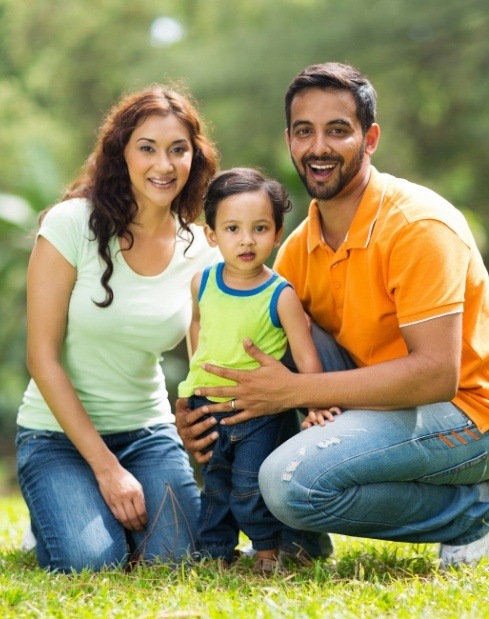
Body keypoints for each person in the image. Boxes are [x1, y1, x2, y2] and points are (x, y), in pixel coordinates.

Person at [175, 62, 489, 569]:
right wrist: (206, 413)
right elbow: (263, 364)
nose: (318, 147)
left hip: (468, 417)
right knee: (281, 332)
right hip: (378, 403)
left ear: (370, 140)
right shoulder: (298, 249)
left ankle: (473, 513)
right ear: (290, 141)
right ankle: (299, 541)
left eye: (338, 130)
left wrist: (298, 392)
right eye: (305, 132)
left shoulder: (418, 227)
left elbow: (437, 375)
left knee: (288, 483)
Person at [16, 83, 220, 573]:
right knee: (93, 563)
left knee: (175, 562)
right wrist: (107, 470)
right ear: (121, 154)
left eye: (178, 150)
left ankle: (89, 513)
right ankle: (65, 508)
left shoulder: (202, 250)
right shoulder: (71, 225)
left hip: (147, 433)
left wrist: (202, 427)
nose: (163, 165)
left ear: (195, 157)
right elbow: (40, 357)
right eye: (146, 148)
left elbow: (206, 362)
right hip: (55, 437)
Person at [178, 167, 339, 574]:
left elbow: (305, 356)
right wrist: (197, 375)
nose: (246, 240)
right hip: (210, 406)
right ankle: (213, 554)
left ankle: (267, 554)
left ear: (277, 232)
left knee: (249, 486)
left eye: (259, 228)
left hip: (260, 412)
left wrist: (315, 403)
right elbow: (198, 324)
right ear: (211, 235)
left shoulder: (279, 294)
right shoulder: (203, 282)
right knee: (215, 484)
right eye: (232, 228)